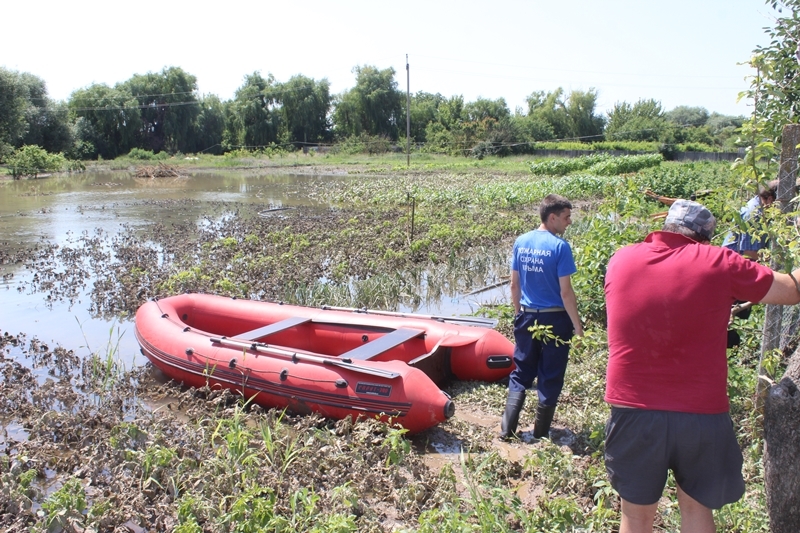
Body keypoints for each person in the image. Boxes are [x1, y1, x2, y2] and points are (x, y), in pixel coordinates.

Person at [603, 199, 800, 533]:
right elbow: (793, 290)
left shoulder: (621, 259)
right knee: (696, 511)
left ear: (664, 227)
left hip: (632, 409)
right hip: (701, 412)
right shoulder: (719, 261)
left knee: (635, 517)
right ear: (705, 238)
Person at [499, 193, 583, 440]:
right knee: (551, 373)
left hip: (527, 317)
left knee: (521, 371)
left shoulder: (521, 241)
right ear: (552, 217)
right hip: (556, 320)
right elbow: (566, 292)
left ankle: (507, 431)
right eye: (566, 217)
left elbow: (514, 285)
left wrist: (518, 314)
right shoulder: (560, 247)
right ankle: (540, 434)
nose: (569, 222)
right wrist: (577, 327)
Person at [722, 180, 778, 260]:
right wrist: (773, 260)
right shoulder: (754, 214)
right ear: (769, 199)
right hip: (733, 262)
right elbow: (750, 253)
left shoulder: (762, 207)